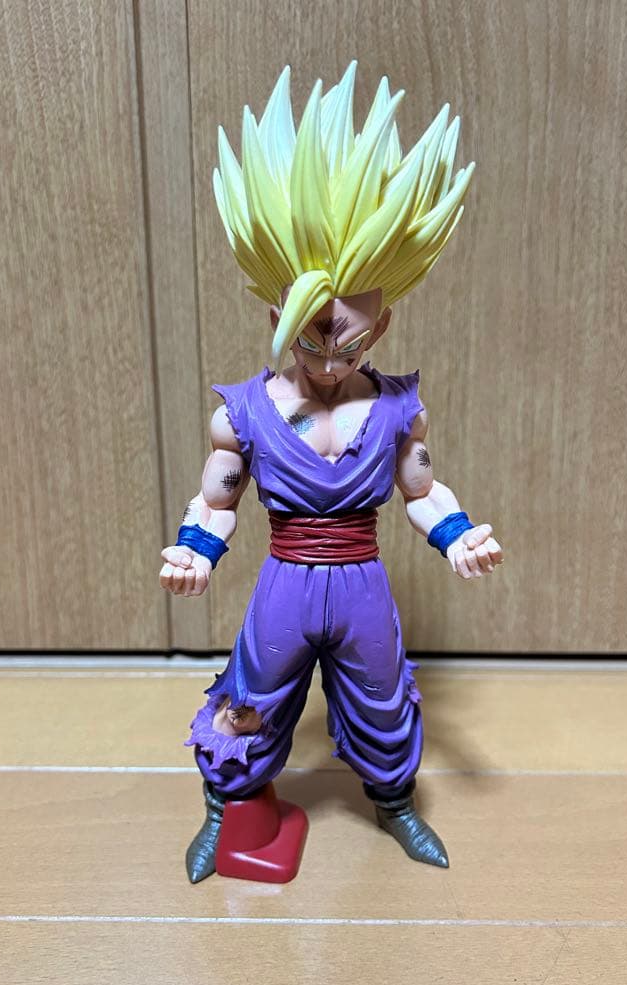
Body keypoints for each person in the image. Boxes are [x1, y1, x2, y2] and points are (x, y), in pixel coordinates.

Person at [160, 63, 503, 883]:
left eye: (347, 344)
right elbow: (216, 499)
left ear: (379, 327)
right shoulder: (242, 413)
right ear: (276, 318)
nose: (327, 361)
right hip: (285, 579)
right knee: (250, 699)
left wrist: (457, 536)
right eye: (310, 342)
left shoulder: (397, 409)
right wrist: (194, 551)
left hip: (361, 582)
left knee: (383, 702)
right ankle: (225, 811)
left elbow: (423, 489)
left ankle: (395, 803)